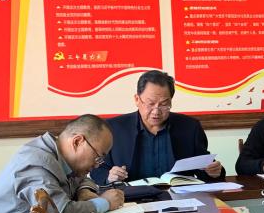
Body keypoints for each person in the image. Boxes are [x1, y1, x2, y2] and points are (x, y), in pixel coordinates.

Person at [91, 70, 224, 185]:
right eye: (150, 103)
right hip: (132, 200)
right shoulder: (114, 128)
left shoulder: (189, 127)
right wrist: (109, 176)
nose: (156, 111)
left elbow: (204, 166)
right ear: (137, 99)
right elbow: (97, 169)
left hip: (180, 199)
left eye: (164, 104)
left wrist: (214, 171)